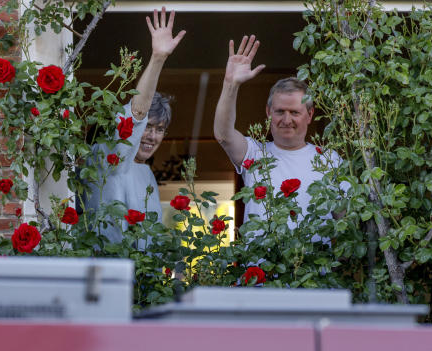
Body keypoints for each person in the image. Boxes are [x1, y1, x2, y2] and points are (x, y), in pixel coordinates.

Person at [82, 8, 185, 243]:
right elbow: (137, 112)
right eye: (148, 127)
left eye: (160, 129)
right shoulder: (109, 159)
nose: (152, 136)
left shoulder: (147, 174)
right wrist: (158, 58)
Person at [213, 35, 335, 227]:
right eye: (280, 112)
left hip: (313, 258)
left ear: (310, 115)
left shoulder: (330, 160)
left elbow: (344, 221)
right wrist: (231, 84)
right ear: (269, 112)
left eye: (294, 112)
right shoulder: (254, 153)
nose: (287, 120)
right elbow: (223, 134)